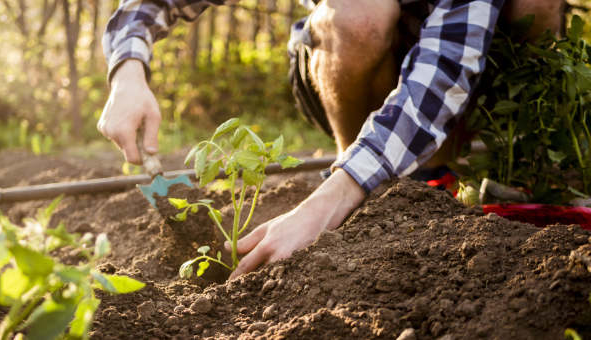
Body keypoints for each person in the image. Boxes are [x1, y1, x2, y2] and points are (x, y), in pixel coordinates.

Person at [98, 0, 565, 279]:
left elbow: (444, 68)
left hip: (463, 75)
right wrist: (127, 72)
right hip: (345, 60)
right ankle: (356, 169)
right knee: (361, 10)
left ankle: (484, 169)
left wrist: (320, 208)